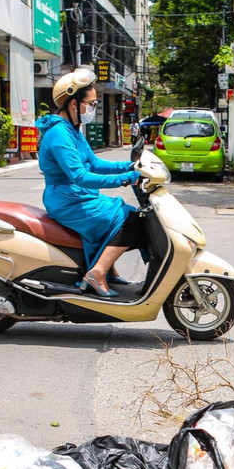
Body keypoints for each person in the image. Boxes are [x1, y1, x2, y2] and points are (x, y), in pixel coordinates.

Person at [36, 69, 143, 298]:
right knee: (131, 221)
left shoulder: (73, 131)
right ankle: (98, 273)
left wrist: (130, 166)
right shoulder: (59, 134)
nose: (93, 108)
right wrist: (125, 179)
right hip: (67, 199)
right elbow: (80, 176)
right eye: (91, 103)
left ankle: (109, 270)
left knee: (129, 214)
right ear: (74, 104)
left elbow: (93, 163)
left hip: (78, 195)